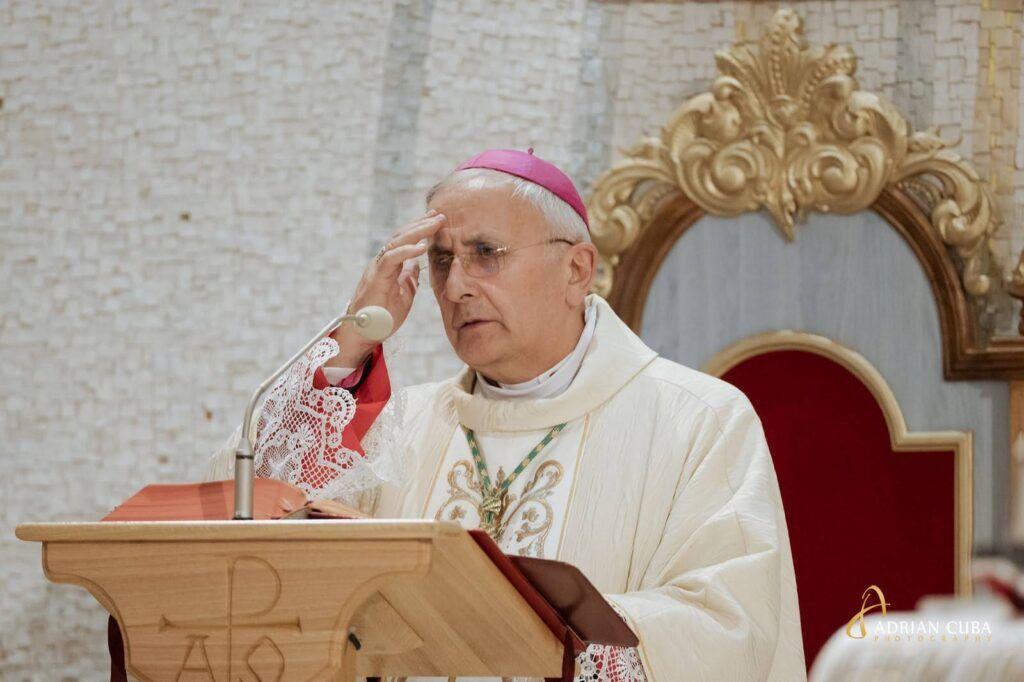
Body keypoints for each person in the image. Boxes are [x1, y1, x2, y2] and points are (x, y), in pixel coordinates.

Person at [207, 148, 806, 681]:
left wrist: (534, 631)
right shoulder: (400, 424)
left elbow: (730, 627)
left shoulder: (698, 419)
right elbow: (246, 523)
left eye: (485, 254)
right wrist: (348, 348)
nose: (456, 287)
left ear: (576, 269)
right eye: (440, 262)